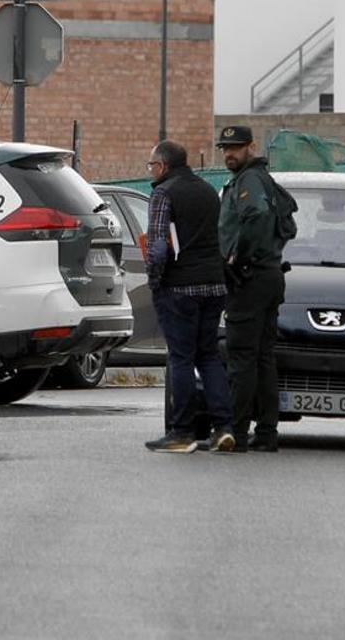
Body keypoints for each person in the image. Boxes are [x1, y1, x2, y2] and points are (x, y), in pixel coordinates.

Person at [142, 141, 235, 454]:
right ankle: (223, 427)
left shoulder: (163, 193)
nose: (151, 170)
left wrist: (155, 281)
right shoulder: (209, 191)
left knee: (180, 357)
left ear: (164, 166)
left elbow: (157, 247)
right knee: (208, 355)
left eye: (152, 164)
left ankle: (182, 432)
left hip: (180, 287)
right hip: (214, 284)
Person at [216, 125, 287, 452]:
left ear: (250, 147)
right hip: (269, 274)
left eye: (235, 147)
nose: (229, 153)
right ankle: (267, 433)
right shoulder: (261, 179)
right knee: (262, 357)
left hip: (252, 276)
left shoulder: (249, 180)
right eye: (225, 148)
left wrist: (237, 259)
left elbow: (256, 216)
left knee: (243, 358)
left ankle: (238, 433)